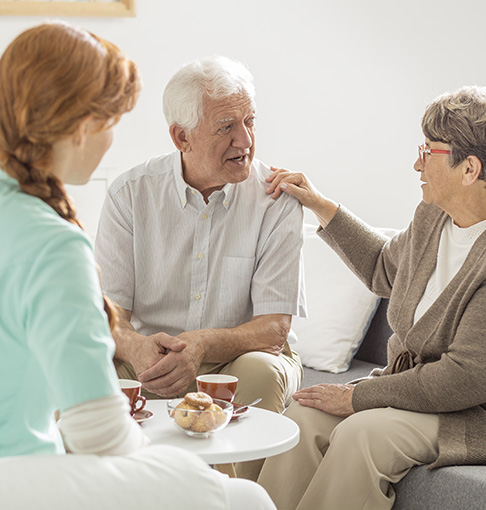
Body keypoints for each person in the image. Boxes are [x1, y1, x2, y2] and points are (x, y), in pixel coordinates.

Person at [0, 22, 275, 509]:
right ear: (83, 126)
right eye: (113, 121)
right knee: (245, 499)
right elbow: (98, 431)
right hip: (20, 476)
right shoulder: (53, 242)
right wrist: (188, 473)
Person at [257, 85, 486, 510]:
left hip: (467, 413)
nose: (416, 162)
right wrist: (320, 205)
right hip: (409, 393)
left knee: (361, 434)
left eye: (429, 150)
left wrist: (359, 396)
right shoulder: (433, 217)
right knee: (305, 419)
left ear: (468, 168)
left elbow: (464, 378)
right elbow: (384, 268)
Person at [94, 55, 306, 480]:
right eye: (226, 126)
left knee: (262, 371)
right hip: (149, 357)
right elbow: (107, 314)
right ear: (181, 137)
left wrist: (203, 346)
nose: (245, 140)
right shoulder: (130, 194)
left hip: (239, 358)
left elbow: (273, 329)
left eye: (250, 121)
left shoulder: (277, 199)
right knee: (84, 366)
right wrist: (137, 349)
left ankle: (234, 499)